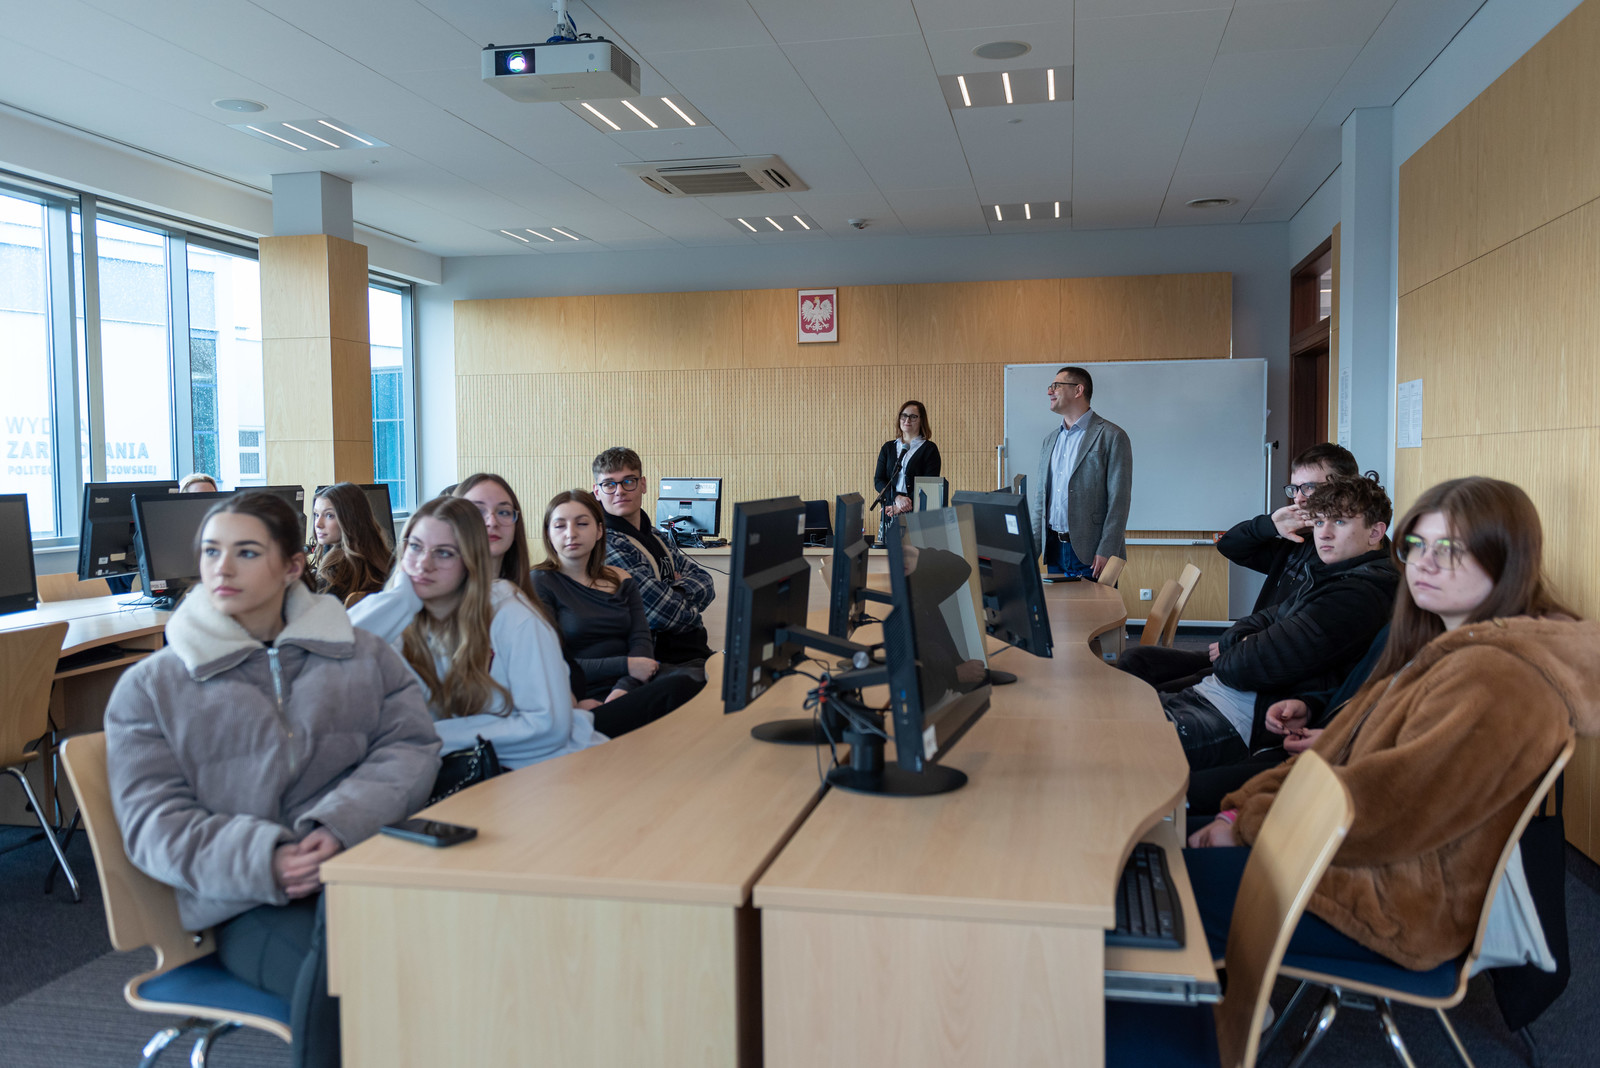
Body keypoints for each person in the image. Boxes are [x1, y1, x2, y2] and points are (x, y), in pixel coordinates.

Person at [1187, 476, 1600, 972]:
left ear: (1505, 560)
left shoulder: (1498, 677)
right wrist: (1239, 814)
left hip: (1395, 902)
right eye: (1417, 545)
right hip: (1359, 855)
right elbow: (1348, 754)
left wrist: (1249, 824)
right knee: (1168, 844)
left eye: (1449, 549)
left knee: (1163, 879)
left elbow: (1394, 810)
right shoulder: (1437, 640)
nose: (1424, 562)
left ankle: (1222, 998)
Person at [105, 492, 440, 1068]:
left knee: (471, 955)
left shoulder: (360, 654)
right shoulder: (154, 686)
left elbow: (409, 746)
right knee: (358, 980)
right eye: (211, 551)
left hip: (360, 864)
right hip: (244, 900)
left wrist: (337, 825)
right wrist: (268, 859)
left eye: (246, 552)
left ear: (291, 567)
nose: (222, 568)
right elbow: (153, 822)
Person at [1157, 475, 1398, 770]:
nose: (1324, 534)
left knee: (1115, 741)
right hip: (1216, 697)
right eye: (1319, 522)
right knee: (1114, 711)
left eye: (1340, 522)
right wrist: (1240, 640)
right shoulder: (1331, 572)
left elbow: (1239, 667)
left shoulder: (1356, 595)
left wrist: (1236, 644)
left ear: (1375, 532)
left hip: (1232, 717)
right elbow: (1264, 618)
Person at [349, 495, 606, 768]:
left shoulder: (512, 616)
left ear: (471, 562)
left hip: (556, 770)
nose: (423, 565)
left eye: (444, 553)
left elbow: (549, 727)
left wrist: (432, 736)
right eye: (415, 546)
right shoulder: (406, 619)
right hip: (464, 771)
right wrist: (399, 598)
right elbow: (333, 657)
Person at [1118, 442, 1362, 689]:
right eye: (1294, 489)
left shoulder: (1340, 559)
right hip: (1238, 649)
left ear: (1344, 489)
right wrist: (1270, 524)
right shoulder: (1297, 541)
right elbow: (1230, 546)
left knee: (1149, 694)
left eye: (1309, 488)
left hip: (1257, 663)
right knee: (1134, 660)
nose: (1298, 498)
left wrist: (1236, 646)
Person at [531, 491, 701, 735]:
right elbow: (550, 662)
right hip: (584, 697)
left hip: (633, 684)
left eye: (582, 523)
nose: (571, 533)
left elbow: (641, 641)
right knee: (680, 689)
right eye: (560, 525)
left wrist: (625, 686)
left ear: (600, 530)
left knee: (707, 682)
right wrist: (626, 665)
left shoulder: (621, 579)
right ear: (548, 533)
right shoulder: (540, 582)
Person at [591, 447, 716, 665]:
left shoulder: (657, 536)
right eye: (609, 484)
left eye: (628, 481)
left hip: (694, 653)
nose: (619, 491)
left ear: (643, 484)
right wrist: (691, 610)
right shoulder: (606, 545)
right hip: (659, 662)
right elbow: (660, 613)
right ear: (597, 492)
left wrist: (673, 593)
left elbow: (707, 583)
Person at [1030, 366, 1132, 580]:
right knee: (1056, 604)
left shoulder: (1112, 436)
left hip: (1093, 555)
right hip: (1054, 550)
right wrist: (1031, 552)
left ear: (1078, 390)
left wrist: (1107, 549)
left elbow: (1119, 501)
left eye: (1056, 386)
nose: (1049, 391)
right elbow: (1041, 500)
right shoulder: (1050, 440)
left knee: (1095, 605)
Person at [308, 481, 391, 607]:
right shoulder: (384, 561)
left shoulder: (335, 574)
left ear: (350, 519)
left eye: (329, 515)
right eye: (316, 514)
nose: (318, 524)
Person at [872, 400, 942, 543]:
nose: (907, 420)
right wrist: (897, 499)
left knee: (915, 555)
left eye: (913, 416)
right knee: (888, 555)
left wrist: (903, 506)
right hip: (891, 510)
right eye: (903, 416)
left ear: (921, 420)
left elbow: (929, 485)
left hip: (917, 513)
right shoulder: (888, 448)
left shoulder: (929, 449)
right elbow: (879, 480)